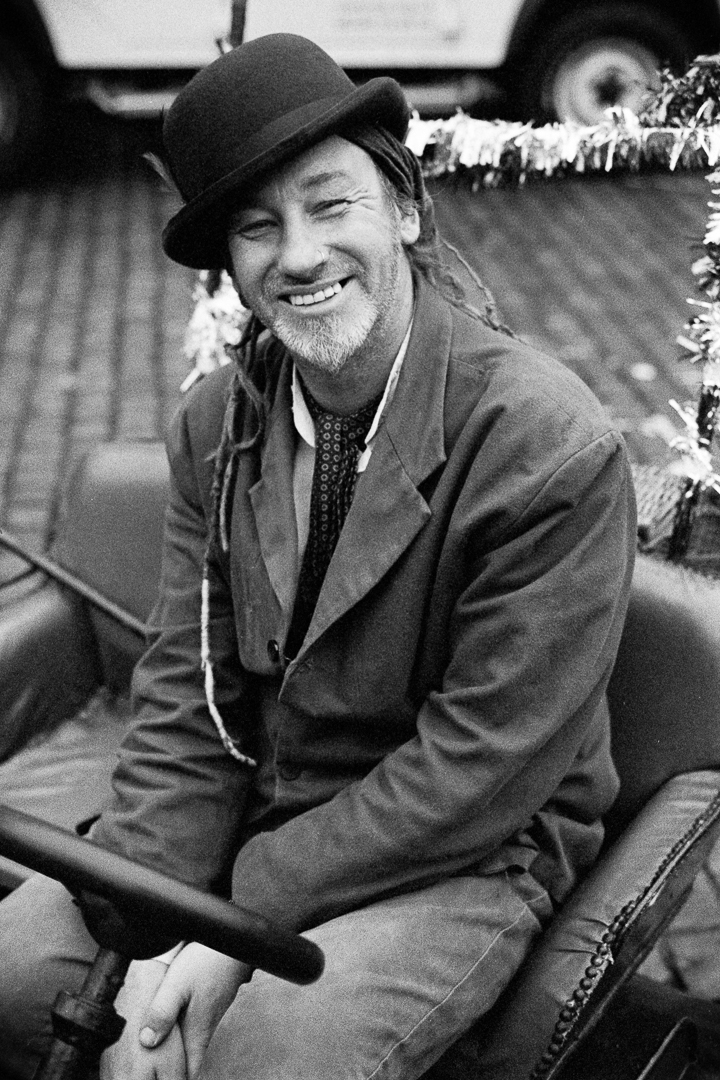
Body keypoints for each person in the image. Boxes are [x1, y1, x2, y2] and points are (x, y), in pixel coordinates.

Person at [0, 32, 636, 1080]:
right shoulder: (216, 422)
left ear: (406, 208)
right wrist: (138, 915)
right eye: (257, 227)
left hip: (468, 850)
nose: (298, 256)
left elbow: (479, 768)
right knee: (22, 974)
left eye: (330, 204)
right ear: (233, 265)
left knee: (266, 1057)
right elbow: (190, 692)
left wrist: (232, 922)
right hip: (265, 806)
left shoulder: (547, 445)